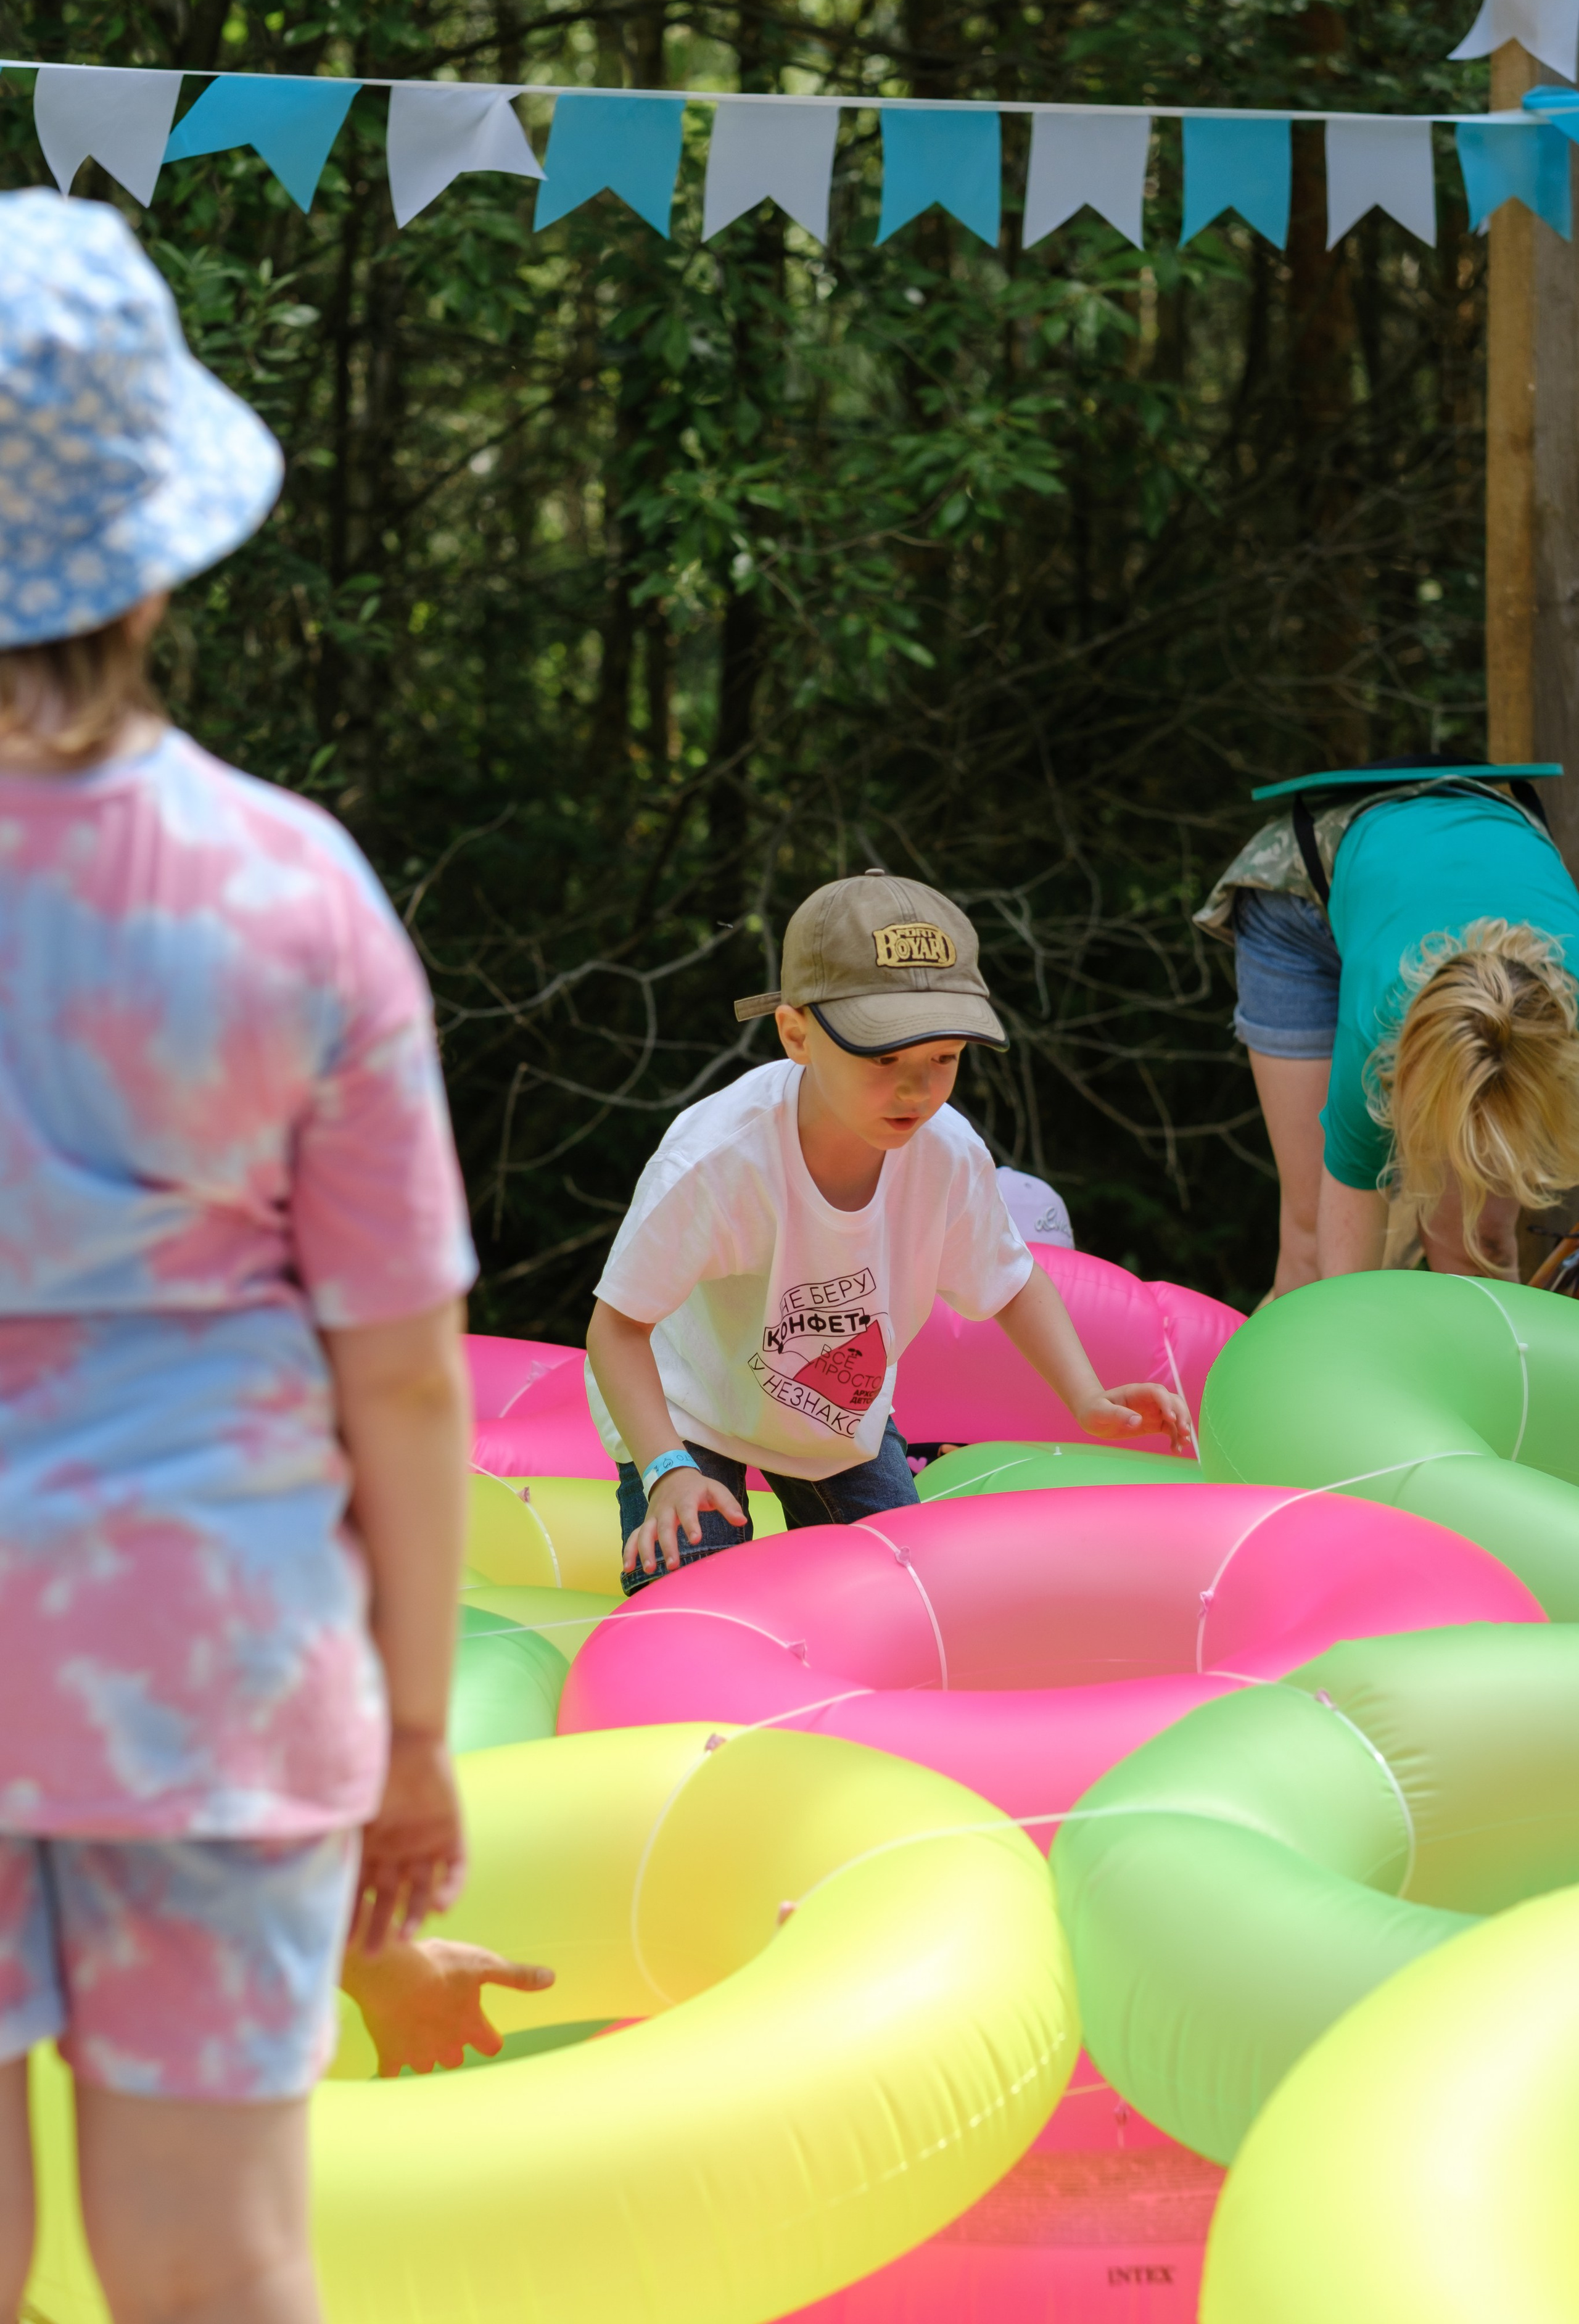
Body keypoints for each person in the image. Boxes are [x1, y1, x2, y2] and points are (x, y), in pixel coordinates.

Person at [0, 190, 540, 2324]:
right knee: (217, 2268)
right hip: (205, 1661)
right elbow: (404, 1370)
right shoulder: (289, 892)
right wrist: (415, 1731)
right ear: (149, 558)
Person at [585, 872, 1191, 1593]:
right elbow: (615, 1330)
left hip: (836, 1421)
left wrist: (1087, 1397)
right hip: (691, 1412)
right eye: (883, 1059)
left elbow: (1012, 1280)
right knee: (696, 1601)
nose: (917, 1091)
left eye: (944, 1059)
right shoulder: (718, 1160)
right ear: (796, 1033)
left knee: (905, 1597)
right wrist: (664, 1470)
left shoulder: (946, 1152)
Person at [1197, 760, 1579, 1292]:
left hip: (1459, 845)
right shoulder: (1376, 1031)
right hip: (1303, 896)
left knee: (1479, 1244)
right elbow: (1345, 1287)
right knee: (1311, 1244)